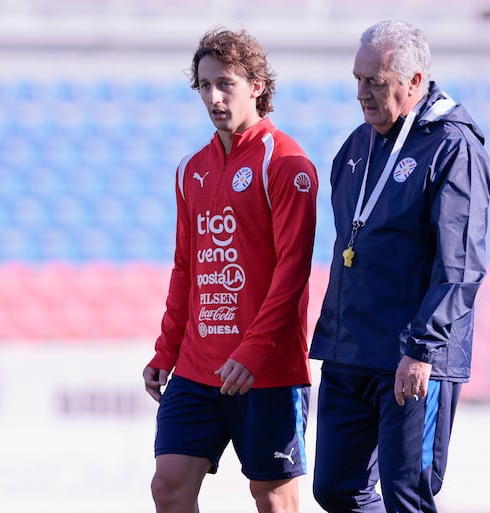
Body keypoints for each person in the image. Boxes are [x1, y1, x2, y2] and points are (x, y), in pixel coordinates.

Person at [309, 20, 490, 513]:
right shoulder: (356, 147)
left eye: (376, 81)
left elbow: (461, 265)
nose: (362, 94)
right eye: (358, 79)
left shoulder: (453, 148)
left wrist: (422, 347)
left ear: (414, 82)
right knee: (336, 489)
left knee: (407, 496)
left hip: (413, 356)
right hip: (351, 351)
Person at [142, 26, 319, 513]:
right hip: (199, 367)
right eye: (204, 86)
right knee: (169, 486)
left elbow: (293, 269)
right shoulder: (190, 169)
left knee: (274, 500)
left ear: (257, 86)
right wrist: (166, 349)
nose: (214, 97)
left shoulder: (286, 163)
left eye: (226, 84)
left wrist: (255, 349)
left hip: (268, 370)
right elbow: (186, 268)